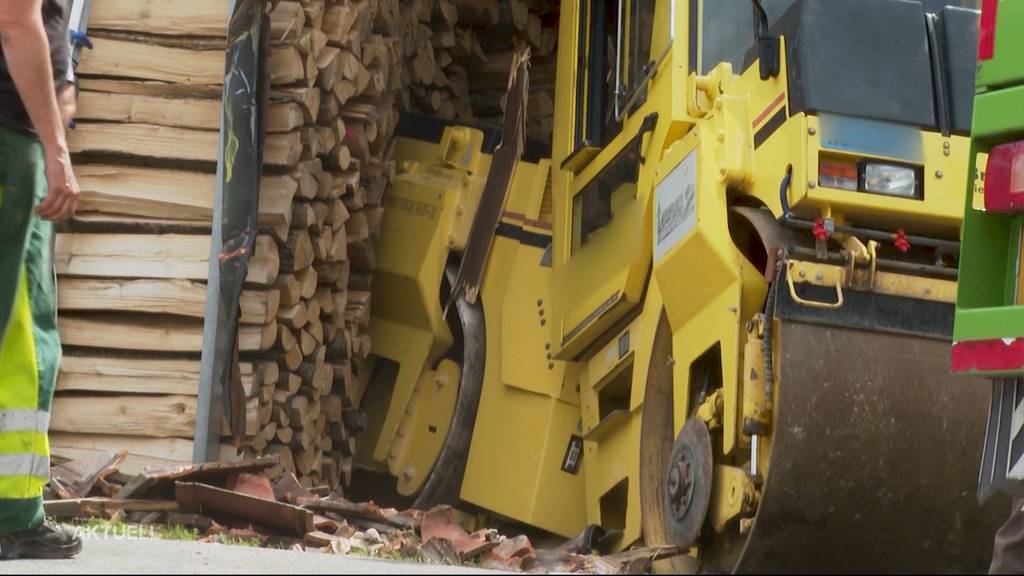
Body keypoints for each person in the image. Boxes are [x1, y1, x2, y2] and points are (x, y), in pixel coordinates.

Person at [0, 0, 82, 560]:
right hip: (9, 137)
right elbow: (15, 18)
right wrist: (55, 148)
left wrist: (61, 80)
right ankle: (12, 515)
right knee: (20, 340)